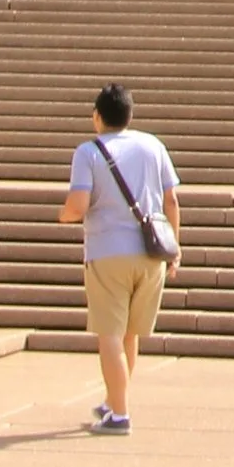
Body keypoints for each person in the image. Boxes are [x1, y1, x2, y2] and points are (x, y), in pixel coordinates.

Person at [58, 79, 181, 434]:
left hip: (107, 252)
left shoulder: (88, 152)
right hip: (151, 252)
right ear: (129, 114)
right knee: (131, 334)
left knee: (109, 333)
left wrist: (62, 215)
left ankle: (120, 413)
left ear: (97, 117)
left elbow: (78, 205)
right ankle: (114, 400)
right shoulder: (153, 145)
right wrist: (175, 247)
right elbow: (171, 200)